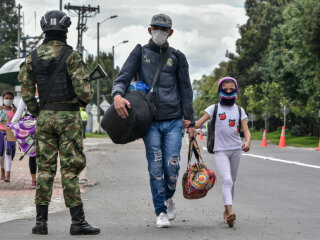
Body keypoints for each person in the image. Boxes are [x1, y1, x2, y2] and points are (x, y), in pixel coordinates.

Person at [18, 10, 100, 235]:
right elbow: (85, 92)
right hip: (69, 119)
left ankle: (41, 223)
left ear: (44, 28)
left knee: (45, 169)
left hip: (44, 118)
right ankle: (77, 222)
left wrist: (38, 112)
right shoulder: (71, 56)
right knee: (70, 169)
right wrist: (82, 99)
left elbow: (26, 94)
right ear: (65, 29)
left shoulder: (31, 57)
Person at [112, 13, 196, 228]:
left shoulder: (177, 57)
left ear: (171, 32)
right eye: (156, 28)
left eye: (164, 29)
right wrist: (117, 96)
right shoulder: (140, 53)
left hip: (174, 120)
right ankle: (160, 211)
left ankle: (168, 197)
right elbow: (122, 78)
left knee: (172, 165)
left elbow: (186, 90)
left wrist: (191, 122)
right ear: (149, 30)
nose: (160, 32)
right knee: (156, 166)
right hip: (149, 121)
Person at [184, 77, 251, 227]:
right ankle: (230, 210)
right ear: (220, 90)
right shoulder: (214, 108)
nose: (228, 92)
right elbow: (199, 123)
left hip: (236, 150)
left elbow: (246, 130)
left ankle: (227, 213)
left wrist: (247, 142)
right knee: (227, 180)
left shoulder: (240, 110)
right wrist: (189, 124)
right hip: (221, 150)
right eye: (225, 89)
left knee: (232, 181)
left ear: (236, 90)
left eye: (231, 90)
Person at [0, 91, 16, 182]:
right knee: (0, 155)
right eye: (6, 98)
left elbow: (18, 122)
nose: (8, 100)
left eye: (10, 98)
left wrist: (15, 113)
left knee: (8, 154)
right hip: (0, 134)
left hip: (10, 134)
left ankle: (8, 175)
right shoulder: (0, 110)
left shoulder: (14, 111)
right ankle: (2, 172)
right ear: (3, 99)